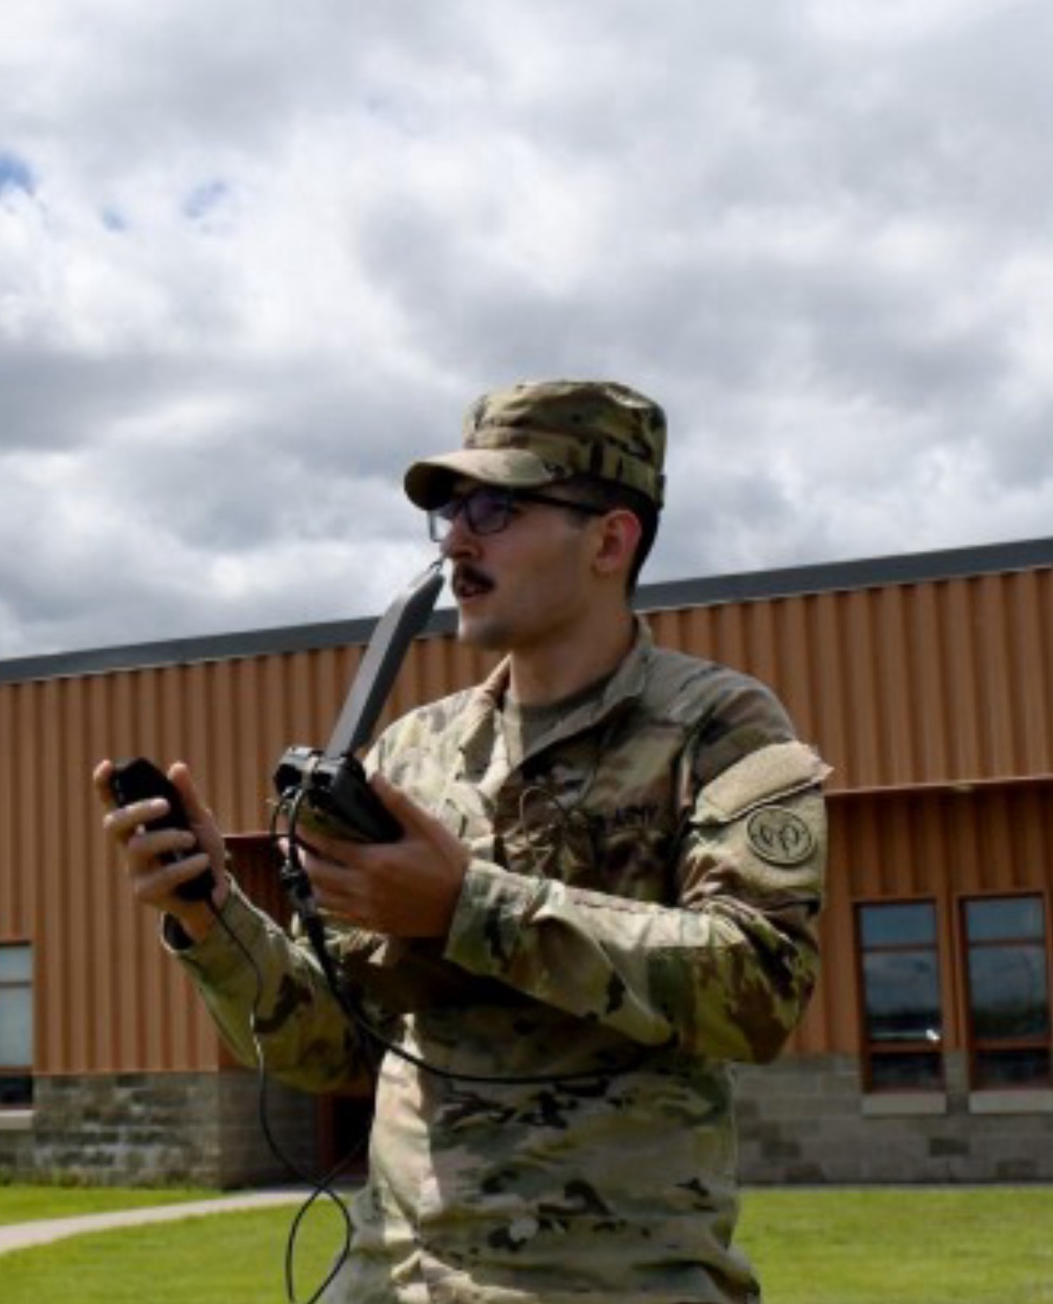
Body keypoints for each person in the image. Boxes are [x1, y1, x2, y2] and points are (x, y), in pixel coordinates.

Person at [96, 379, 829, 1303]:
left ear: (610, 540)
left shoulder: (720, 727)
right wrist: (212, 919)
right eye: (451, 511)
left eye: (498, 508)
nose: (455, 541)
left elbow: (761, 985)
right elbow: (338, 1046)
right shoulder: (412, 753)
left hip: (608, 1280)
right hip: (392, 1275)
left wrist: (465, 907)